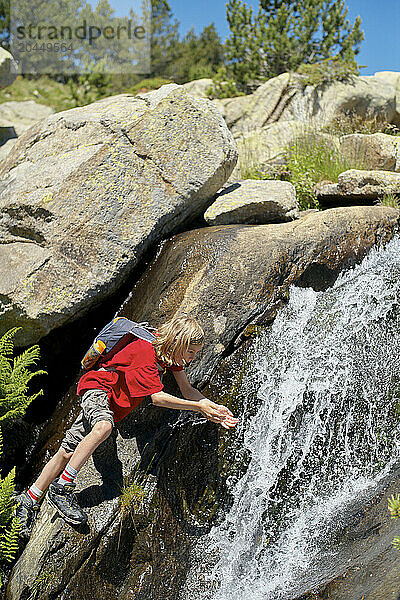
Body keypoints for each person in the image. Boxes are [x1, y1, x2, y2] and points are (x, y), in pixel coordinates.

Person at [14, 313, 238, 538]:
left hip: (109, 403)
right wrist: (198, 408)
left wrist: (213, 407)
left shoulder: (169, 358)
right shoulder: (145, 351)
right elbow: (157, 398)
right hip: (97, 390)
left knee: (67, 451)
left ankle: (28, 499)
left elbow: (188, 390)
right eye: (191, 352)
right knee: (103, 427)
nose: (191, 359)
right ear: (178, 342)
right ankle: (62, 488)